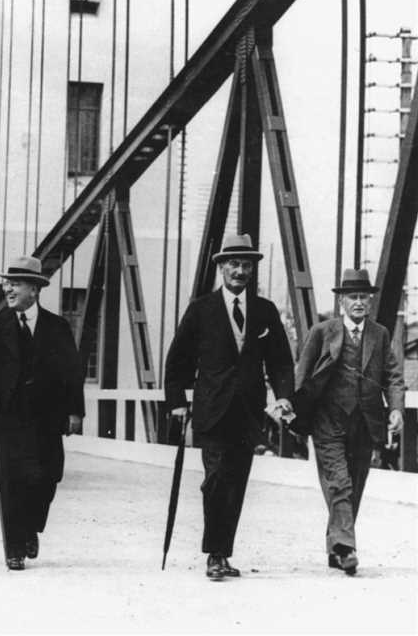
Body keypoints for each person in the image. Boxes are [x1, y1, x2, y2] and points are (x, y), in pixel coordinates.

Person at [164, 233, 294, 581]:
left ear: (252, 269)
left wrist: (282, 395)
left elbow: (281, 362)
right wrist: (176, 403)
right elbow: (177, 361)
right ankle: (215, 553)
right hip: (212, 410)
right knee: (217, 479)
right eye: (233, 264)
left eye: (246, 265)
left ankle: (222, 551)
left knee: (236, 482)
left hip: (249, 414)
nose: (240, 271)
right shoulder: (201, 309)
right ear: (221, 267)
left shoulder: (265, 310)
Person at [0, 256, 85, 571]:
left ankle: (32, 527)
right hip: (7, 417)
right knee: (10, 482)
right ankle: (15, 546)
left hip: (47, 419)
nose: (8, 288)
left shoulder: (58, 327)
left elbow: (73, 372)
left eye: (16, 283)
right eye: (7, 283)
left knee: (47, 477)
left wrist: (76, 412)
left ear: (34, 289)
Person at [293, 268, 404, 575]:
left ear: (370, 301)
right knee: (339, 482)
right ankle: (347, 547)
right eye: (352, 297)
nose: (358, 302)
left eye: (364, 297)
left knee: (354, 485)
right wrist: (297, 416)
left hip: (366, 422)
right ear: (341, 301)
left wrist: (395, 408)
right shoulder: (321, 332)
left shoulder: (379, 334)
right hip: (328, 420)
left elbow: (393, 375)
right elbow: (302, 374)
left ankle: (336, 546)